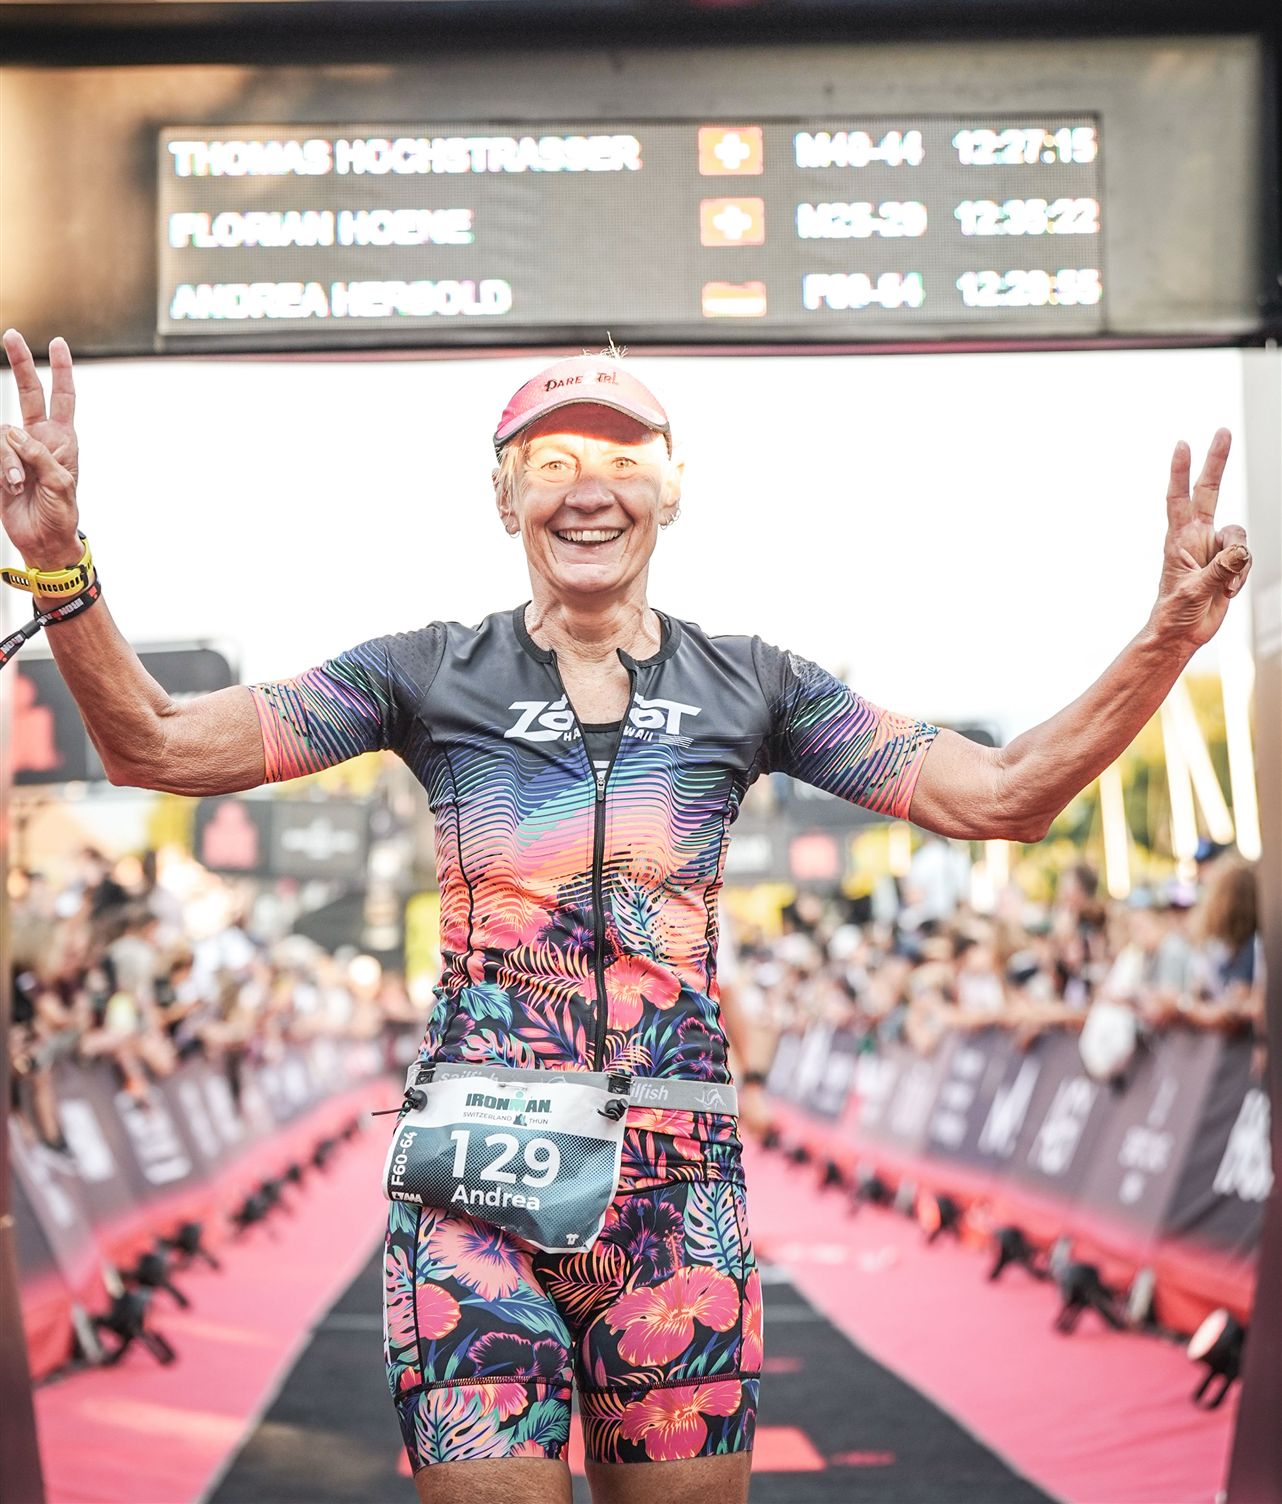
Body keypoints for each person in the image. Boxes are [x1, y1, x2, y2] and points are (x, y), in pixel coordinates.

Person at [0, 329, 1253, 1504]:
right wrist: (60, 562)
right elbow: (156, 742)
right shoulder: (424, 671)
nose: (587, 490)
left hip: (678, 1193)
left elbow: (1003, 795)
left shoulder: (752, 683)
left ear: (672, 488)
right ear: (503, 498)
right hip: (475, 1191)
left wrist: (1168, 638)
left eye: (621, 460)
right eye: (551, 463)